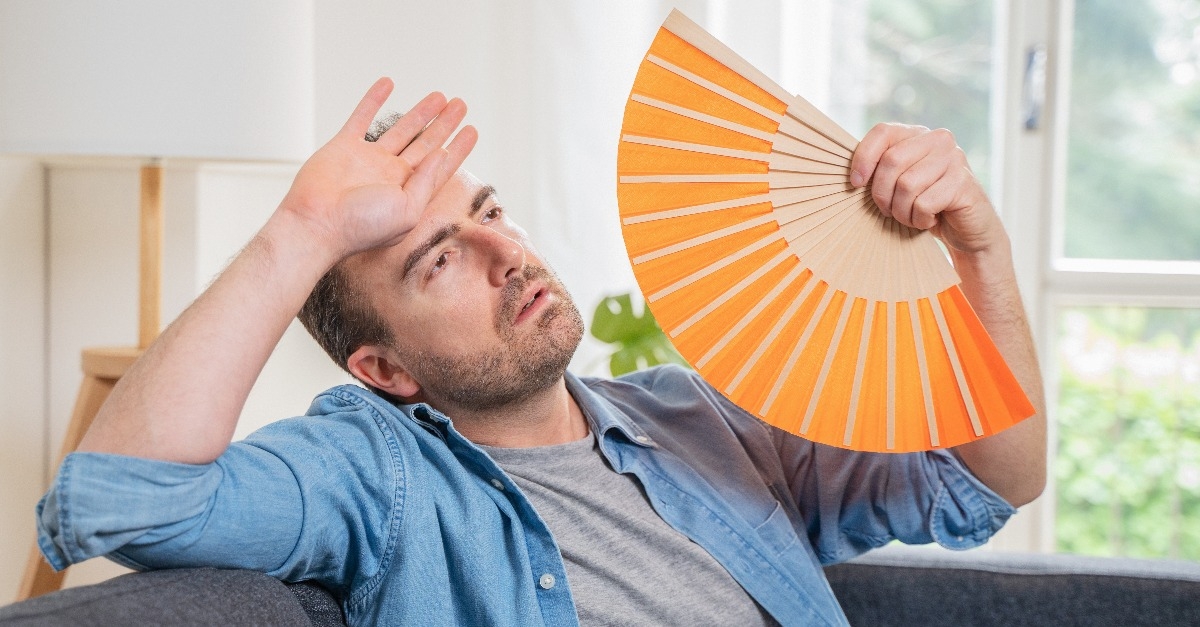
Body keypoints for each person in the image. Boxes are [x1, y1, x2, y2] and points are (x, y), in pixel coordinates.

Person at [33, 78, 1046, 626]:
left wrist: (977, 245)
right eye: (438, 262)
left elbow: (988, 479)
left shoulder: (696, 420)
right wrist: (299, 232)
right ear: (385, 371)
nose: (504, 255)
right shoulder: (374, 474)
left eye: (490, 214)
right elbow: (115, 501)